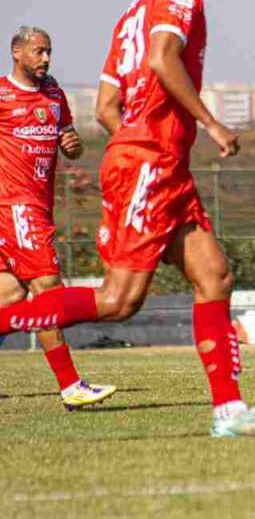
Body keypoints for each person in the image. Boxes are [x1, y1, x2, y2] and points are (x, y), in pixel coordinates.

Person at [0, 0, 255, 438]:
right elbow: (162, 57)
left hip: (153, 163)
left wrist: (134, 150)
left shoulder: (129, 11)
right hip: (151, 164)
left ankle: (229, 413)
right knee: (118, 301)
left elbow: (109, 104)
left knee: (215, 277)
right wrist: (210, 124)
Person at [0, 26, 116, 410]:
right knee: (48, 289)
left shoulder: (54, 94)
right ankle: (70, 386)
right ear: (17, 52)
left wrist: (74, 145)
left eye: (49, 51)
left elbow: (72, 147)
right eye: (39, 51)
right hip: (15, 206)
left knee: (12, 294)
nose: (46, 58)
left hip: (38, 205)